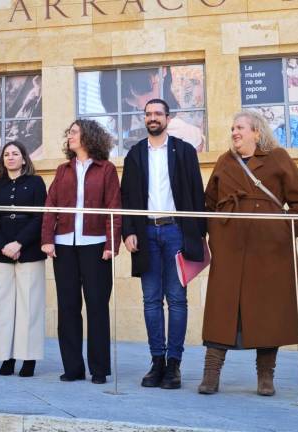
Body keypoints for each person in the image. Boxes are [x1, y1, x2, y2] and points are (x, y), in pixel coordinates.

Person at [199, 109, 298, 396]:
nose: (234, 132)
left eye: (240, 127)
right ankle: (211, 374)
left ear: (257, 132)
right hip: (229, 248)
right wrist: (217, 231)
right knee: (221, 308)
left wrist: (284, 233)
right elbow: (208, 202)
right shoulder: (225, 161)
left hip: (269, 250)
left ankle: (266, 377)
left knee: (267, 311)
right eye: (233, 128)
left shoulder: (278, 158)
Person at [120, 98, 206, 390]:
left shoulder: (184, 152)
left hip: (176, 232)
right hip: (146, 233)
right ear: (144, 119)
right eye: (148, 114)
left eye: (158, 113)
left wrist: (197, 235)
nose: (153, 118)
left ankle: (174, 366)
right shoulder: (134, 155)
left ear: (168, 118)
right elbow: (127, 199)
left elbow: (197, 194)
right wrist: (127, 232)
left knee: (177, 299)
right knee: (151, 299)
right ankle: (156, 361)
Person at [41, 119, 121, 384]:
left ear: (88, 137)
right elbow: (50, 205)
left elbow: (114, 208)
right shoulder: (63, 170)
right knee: (68, 308)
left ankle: (99, 369)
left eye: (74, 132)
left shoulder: (106, 170)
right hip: (64, 245)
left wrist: (111, 244)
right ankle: (73, 367)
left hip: (96, 246)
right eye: (69, 133)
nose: (70, 136)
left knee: (97, 307)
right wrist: (47, 239)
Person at [0, 141, 47, 377]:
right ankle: (6, 357)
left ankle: (28, 357)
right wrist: (3, 246)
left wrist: (19, 243)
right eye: (6, 154)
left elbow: (41, 216)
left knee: (30, 306)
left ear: (24, 158)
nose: (10, 157)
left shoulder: (36, 183)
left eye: (15, 153)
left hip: (29, 250)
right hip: (0, 253)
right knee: (3, 306)